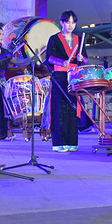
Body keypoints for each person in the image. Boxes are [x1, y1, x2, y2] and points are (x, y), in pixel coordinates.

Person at [46, 10, 87, 152]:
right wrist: (62, 61)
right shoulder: (54, 38)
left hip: (74, 77)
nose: (70, 25)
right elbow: (49, 58)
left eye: (73, 22)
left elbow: (85, 58)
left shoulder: (78, 39)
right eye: (67, 22)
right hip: (59, 76)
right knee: (59, 109)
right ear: (61, 23)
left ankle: (72, 142)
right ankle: (58, 143)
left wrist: (82, 59)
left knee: (72, 108)